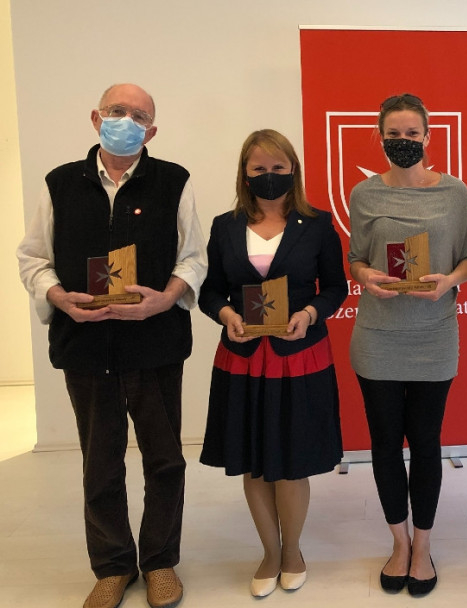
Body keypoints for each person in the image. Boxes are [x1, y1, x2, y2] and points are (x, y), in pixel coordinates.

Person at [16, 83, 207, 608]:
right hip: (85, 345)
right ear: (96, 117)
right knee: (100, 463)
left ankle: (161, 562)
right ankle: (113, 565)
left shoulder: (173, 181)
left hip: (155, 344)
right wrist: (58, 296)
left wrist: (165, 298)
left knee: (164, 460)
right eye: (117, 110)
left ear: (152, 130)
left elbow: (194, 257)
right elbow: (33, 257)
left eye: (139, 115)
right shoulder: (60, 183)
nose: (127, 120)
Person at [198, 129, 346, 598]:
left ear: (293, 170)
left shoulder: (317, 224)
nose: (269, 175)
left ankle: (293, 551)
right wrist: (225, 314)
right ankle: (268, 552)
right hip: (243, 358)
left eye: (278, 167)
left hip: (298, 356)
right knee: (254, 461)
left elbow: (335, 288)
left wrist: (309, 314)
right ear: (245, 173)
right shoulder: (225, 226)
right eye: (259, 168)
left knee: (292, 461)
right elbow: (209, 290)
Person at [347, 93, 467, 597]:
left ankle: (422, 546)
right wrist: (366, 276)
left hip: (433, 334)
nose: (403, 141)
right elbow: (355, 258)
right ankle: (398, 543)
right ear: (380, 137)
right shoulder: (364, 194)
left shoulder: (454, 192)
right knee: (385, 443)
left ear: (427, 136)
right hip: (377, 336)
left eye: (411, 133)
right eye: (393, 134)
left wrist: (449, 282)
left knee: (426, 443)